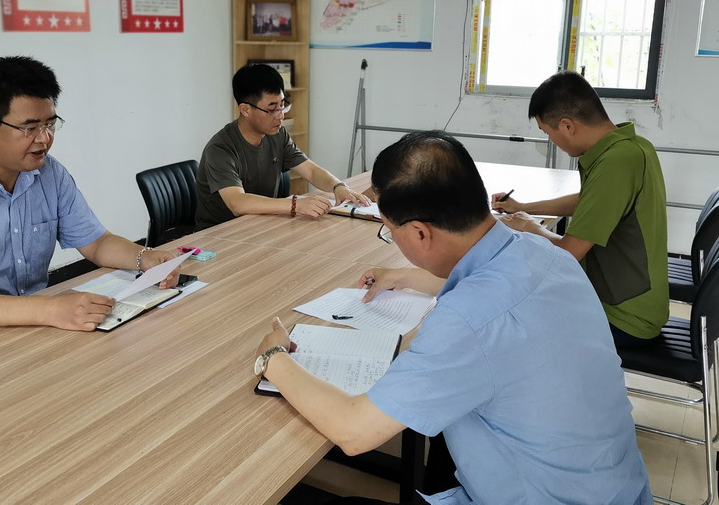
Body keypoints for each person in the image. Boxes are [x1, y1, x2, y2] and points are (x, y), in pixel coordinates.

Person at [255, 131, 651, 504]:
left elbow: (354, 432)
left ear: (419, 233)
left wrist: (274, 358)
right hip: (614, 486)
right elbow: (496, 289)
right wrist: (406, 277)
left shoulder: (465, 321)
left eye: (389, 232)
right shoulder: (545, 253)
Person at [0, 56, 179, 344]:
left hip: (23, 322)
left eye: (50, 124)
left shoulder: (48, 173)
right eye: (29, 128)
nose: (44, 139)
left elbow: (96, 242)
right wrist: (51, 309)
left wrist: (144, 258)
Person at [491, 71, 668, 347]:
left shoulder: (616, 162)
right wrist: (523, 207)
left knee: (508, 316)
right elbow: (591, 200)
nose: (553, 141)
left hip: (624, 316)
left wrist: (529, 227)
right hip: (631, 300)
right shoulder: (632, 147)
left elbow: (568, 254)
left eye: (548, 133)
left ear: (567, 126)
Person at [195, 64, 369, 230]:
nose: (281, 116)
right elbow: (237, 203)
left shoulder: (277, 135)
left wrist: (338, 187)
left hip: (261, 225)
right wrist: (295, 204)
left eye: (282, 105)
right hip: (219, 235)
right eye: (272, 109)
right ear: (245, 110)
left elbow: (310, 170)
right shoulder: (220, 149)